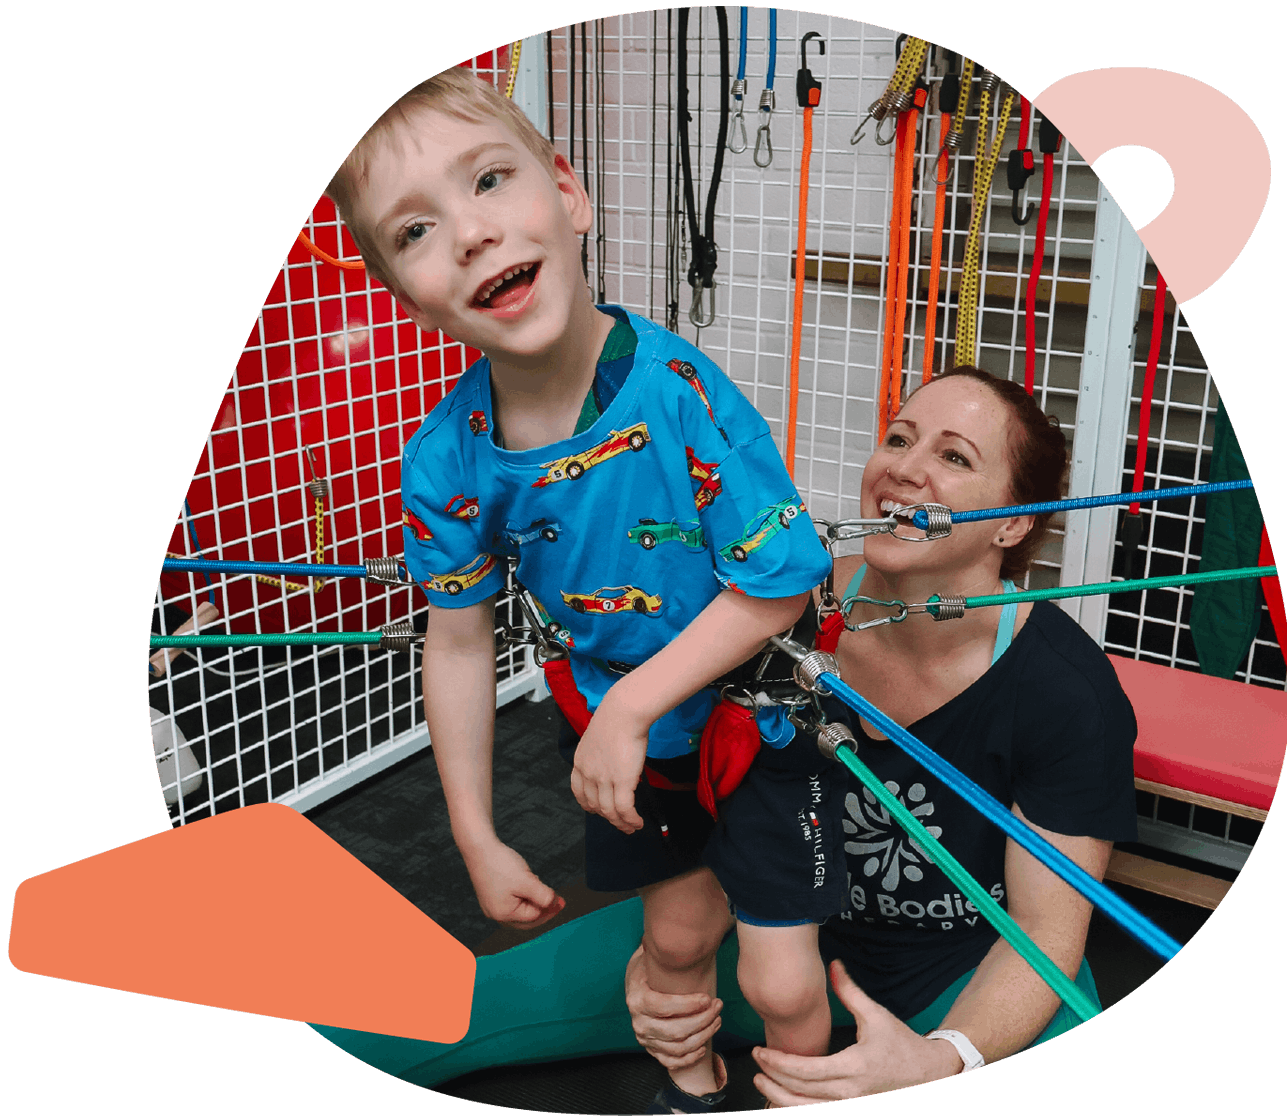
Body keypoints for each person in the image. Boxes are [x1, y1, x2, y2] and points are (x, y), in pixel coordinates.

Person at [322, 66, 837, 1111]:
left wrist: (635, 708)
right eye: (414, 231)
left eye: (490, 182)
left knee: (782, 979)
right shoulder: (445, 460)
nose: (466, 234)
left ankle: (808, 1088)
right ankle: (686, 1088)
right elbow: (459, 641)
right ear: (403, 297)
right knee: (678, 938)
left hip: (757, 719)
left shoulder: (678, 388)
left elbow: (780, 581)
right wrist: (473, 830)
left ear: (567, 195)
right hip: (620, 736)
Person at [625, 366, 1140, 1101]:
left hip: (958, 978)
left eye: (954, 457)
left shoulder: (1066, 691)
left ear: (1013, 522)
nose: (905, 467)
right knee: (453, 1011)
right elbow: (706, 802)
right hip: (764, 942)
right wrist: (661, 967)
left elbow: (1046, 939)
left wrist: (942, 1056)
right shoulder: (770, 612)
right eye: (900, 438)